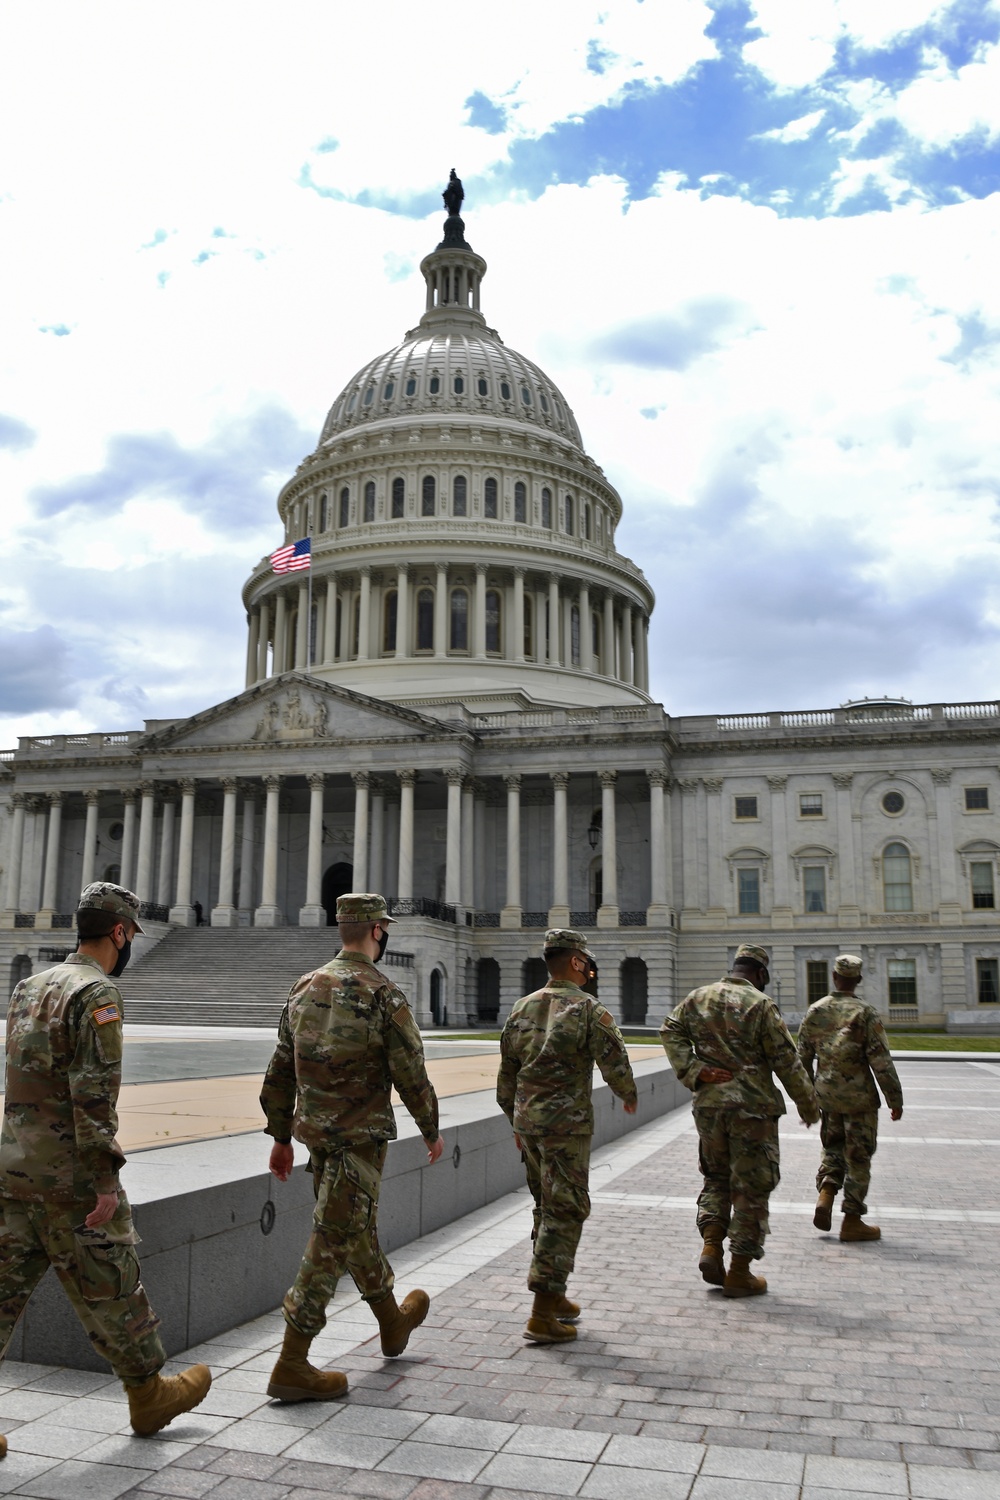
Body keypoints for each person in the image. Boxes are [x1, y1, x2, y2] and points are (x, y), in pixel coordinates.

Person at [0, 882, 211, 1458]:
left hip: (16, 1171)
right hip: (71, 1179)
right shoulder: (97, 995)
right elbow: (93, 1097)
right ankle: (149, 1395)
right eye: (128, 937)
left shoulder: (29, 985)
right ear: (119, 932)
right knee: (114, 1287)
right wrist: (106, 1179)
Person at [261, 893, 444, 1402]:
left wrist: (280, 1137)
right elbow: (410, 1071)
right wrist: (430, 1127)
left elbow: (279, 1067)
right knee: (331, 1239)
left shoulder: (304, 987)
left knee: (351, 1229)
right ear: (377, 932)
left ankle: (393, 1321)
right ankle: (292, 1361)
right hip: (359, 1139)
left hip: (317, 1137)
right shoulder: (383, 993)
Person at [497, 929, 638, 1345]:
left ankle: (555, 1296)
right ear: (577, 962)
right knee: (567, 1209)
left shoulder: (522, 1007)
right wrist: (627, 1094)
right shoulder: (588, 1009)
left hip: (530, 1125)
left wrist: (516, 1121)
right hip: (567, 1126)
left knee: (546, 1206)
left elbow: (506, 1077)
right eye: (586, 963)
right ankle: (541, 1312)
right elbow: (615, 1062)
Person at [660, 942, 820, 1298]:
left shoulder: (698, 997)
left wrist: (694, 1070)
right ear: (760, 974)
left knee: (716, 1179)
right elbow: (785, 1060)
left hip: (710, 1107)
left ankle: (711, 1246)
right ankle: (740, 1271)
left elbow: (669, 1030)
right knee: (751, 1188)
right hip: (752, 1111)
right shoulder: (761, 1005)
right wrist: (808, 1105)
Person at [797, 953, 904, 1242]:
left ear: (834, 977)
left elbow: (802, 1060)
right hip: (860, 1100)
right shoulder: (865, 1013)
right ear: (857, 980)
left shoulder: (815, 1011)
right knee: (859, 1156)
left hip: (827, 1097)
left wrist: (807, 1099)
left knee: (832, 1149)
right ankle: (852, 1221)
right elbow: (880, 1061)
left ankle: (826, 1193)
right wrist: (895, 1098)